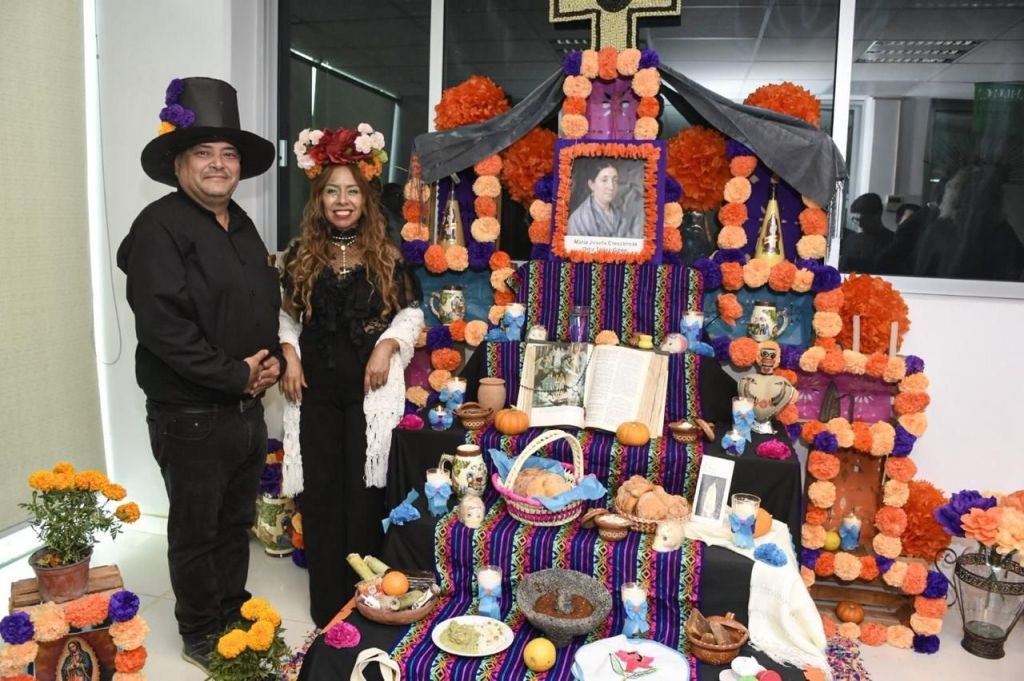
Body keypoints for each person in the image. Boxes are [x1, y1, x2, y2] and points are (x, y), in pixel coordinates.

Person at [117, 77, 282, 671]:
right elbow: (164, 330)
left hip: (244, 410)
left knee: (235, 523)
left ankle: (231, 610)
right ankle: (200, 630)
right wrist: (236, 375)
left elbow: (259, 304)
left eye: (228, 153)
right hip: (191, 415)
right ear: (179, 163)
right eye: (204, 153)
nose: (218, 164)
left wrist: (271, 361)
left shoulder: (240, 223)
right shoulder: (159, 227)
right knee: (196, 530)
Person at [280, 123, 424, 627]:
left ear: (366, 199)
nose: (342, 201)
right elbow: (286, 317)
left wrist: (387, 345)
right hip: (313, 394)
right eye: (332, 192)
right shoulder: (300, 255)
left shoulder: (387, 254)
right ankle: (327, 609)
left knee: (363, 498)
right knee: (320, 497)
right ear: (319, 200)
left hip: (369, 396)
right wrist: (288, 351)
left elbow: (411, 314)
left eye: (352, 192)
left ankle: (363, 603)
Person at [567, 162, 642, 238]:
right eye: (604, 180)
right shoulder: (579, 219)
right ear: (592, 184)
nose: (611, 187)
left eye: (615, 180)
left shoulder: (619, 213)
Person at [838, 193, 893, 272]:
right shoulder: (850, 240)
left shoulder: (892, 241)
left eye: (864, 220)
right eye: (856, 220)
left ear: (878, 214)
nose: (860, 225)